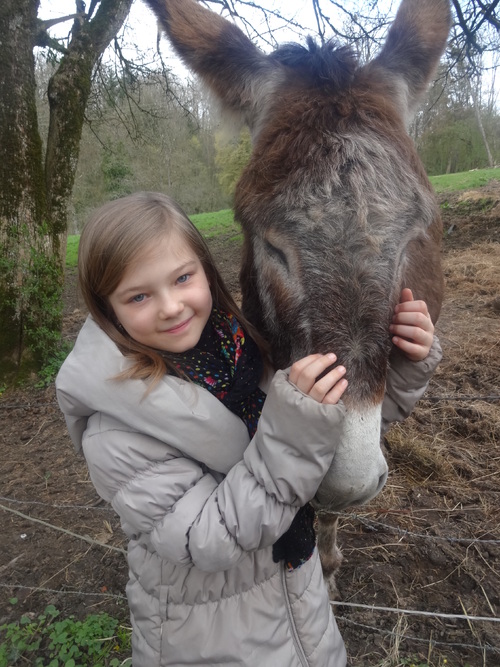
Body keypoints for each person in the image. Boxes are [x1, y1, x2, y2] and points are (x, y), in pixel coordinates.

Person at [56, 191, 442, 667]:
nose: (172, 306)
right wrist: (292, 429)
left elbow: (326, 438)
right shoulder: (116, 426)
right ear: (106, 307)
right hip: (212, 635)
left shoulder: (242, 347)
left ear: (206, 270)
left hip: (298, 597)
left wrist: (408, 364)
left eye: (182, 278)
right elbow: (207, 539)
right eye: (138, 295)